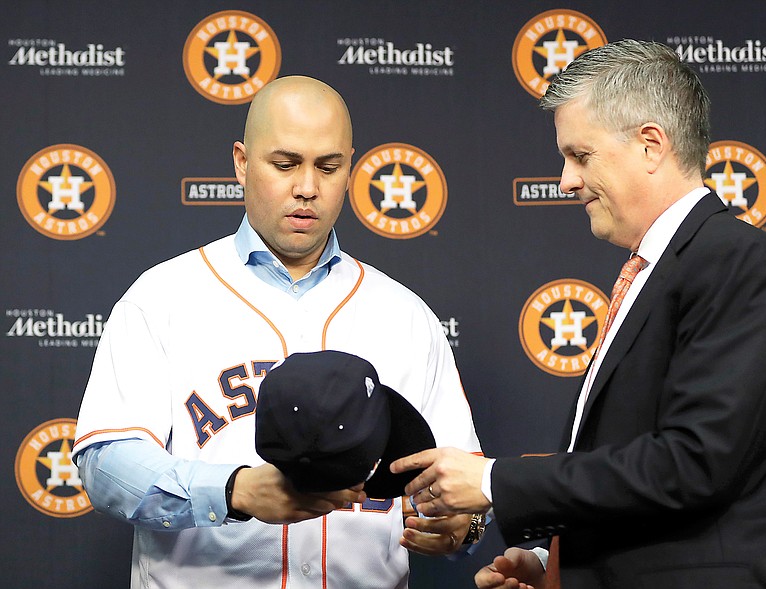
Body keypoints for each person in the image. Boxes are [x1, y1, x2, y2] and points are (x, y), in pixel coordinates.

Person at [391, 40, 766, 589]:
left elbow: (694, 464)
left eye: (581, 156)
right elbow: (636, 469)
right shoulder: (657, 270)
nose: (565, 180)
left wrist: (493, 480)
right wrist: (557, 563)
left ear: (651, 145)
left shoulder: (732, 260)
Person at [73, 75, 484, 589]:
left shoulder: (405, 315)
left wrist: (461, 524)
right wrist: (233, 491)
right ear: (242, 164)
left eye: (328, 167)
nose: (307, 187)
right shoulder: (162, 296)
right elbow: (105, 461)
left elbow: (460, 478)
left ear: (350, 168)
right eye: (285, 164)